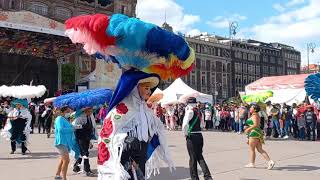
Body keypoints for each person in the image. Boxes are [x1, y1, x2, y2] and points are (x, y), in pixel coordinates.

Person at [98, 70, 173, 180]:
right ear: (135, 88)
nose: (149, 91)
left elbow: (154, 126)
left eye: (149, 89)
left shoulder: (145, 108)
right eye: (146, 88)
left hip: (142, 151)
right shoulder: (122, 108)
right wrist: (126, 139)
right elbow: (108, 133)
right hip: (128, 153)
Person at [182, 97, 212, 180]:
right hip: (199, 136)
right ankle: (207, 176)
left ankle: (194, 178)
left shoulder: (189, 112)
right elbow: (202, 125)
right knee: (199, 156)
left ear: (188, 104)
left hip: (192, 136)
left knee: (192, 158)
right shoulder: (199, 112)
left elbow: (184, 125)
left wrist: (185, 134)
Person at [244, 104, 275, 170]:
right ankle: (270, 162)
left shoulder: (255, 115)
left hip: (254, 133)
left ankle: (252, 163)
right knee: (259, 149)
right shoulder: (254, 115)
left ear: (255, 109)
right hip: (256, 133)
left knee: (252, 149)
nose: (250, 108)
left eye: (251, 107)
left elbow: (256, 124)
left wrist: (248, 129)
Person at [54, 106, 79, 180]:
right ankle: (64, 178)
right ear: (63, 112)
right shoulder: (59, 119)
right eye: (67, 111)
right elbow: (60, 129)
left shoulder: (65, 119)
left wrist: (74, 126)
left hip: (66, 142)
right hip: (61, 142)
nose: (69, 112)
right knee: (66, 161)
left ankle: (57, 174)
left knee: (63, 160)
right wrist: (72, 129)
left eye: (69, 111)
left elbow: (68, 127)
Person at [72, 107, 97, 176]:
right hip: (80, 137)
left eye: (92, 111)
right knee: (85, 153)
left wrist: (92, 140)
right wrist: (82, 126)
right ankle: (87, 170)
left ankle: (76, 167)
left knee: (82, 153)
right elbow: (73, 126)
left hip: (87, 137)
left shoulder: (90, 117)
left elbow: (93, 127)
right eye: (90, 111)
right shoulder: (80, 117)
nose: (91, 112)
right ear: (86, 111)